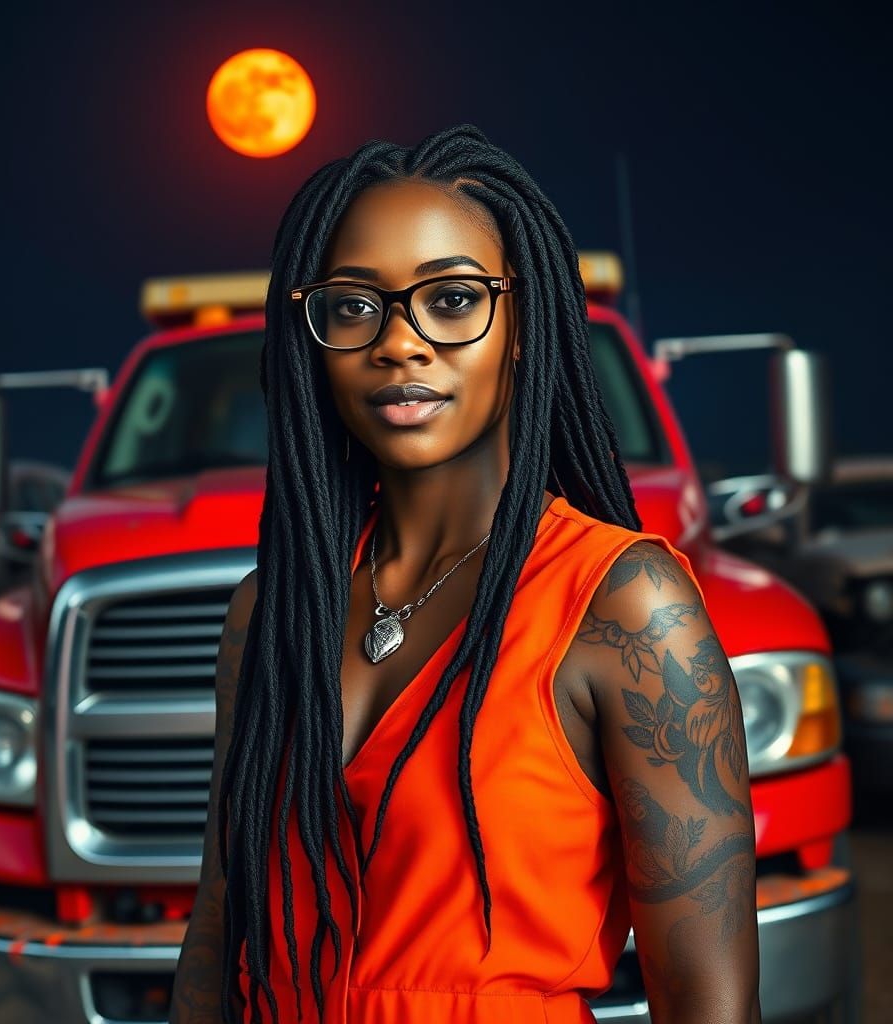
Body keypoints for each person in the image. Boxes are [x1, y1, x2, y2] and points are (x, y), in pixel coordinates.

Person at [169, 123, 760, 1024]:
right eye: (354, 306)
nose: (399, 343)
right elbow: (219, 922)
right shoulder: (272, 609)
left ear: (523, 323)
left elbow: (709, 1006)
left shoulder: (623, 605)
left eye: (450, 299)